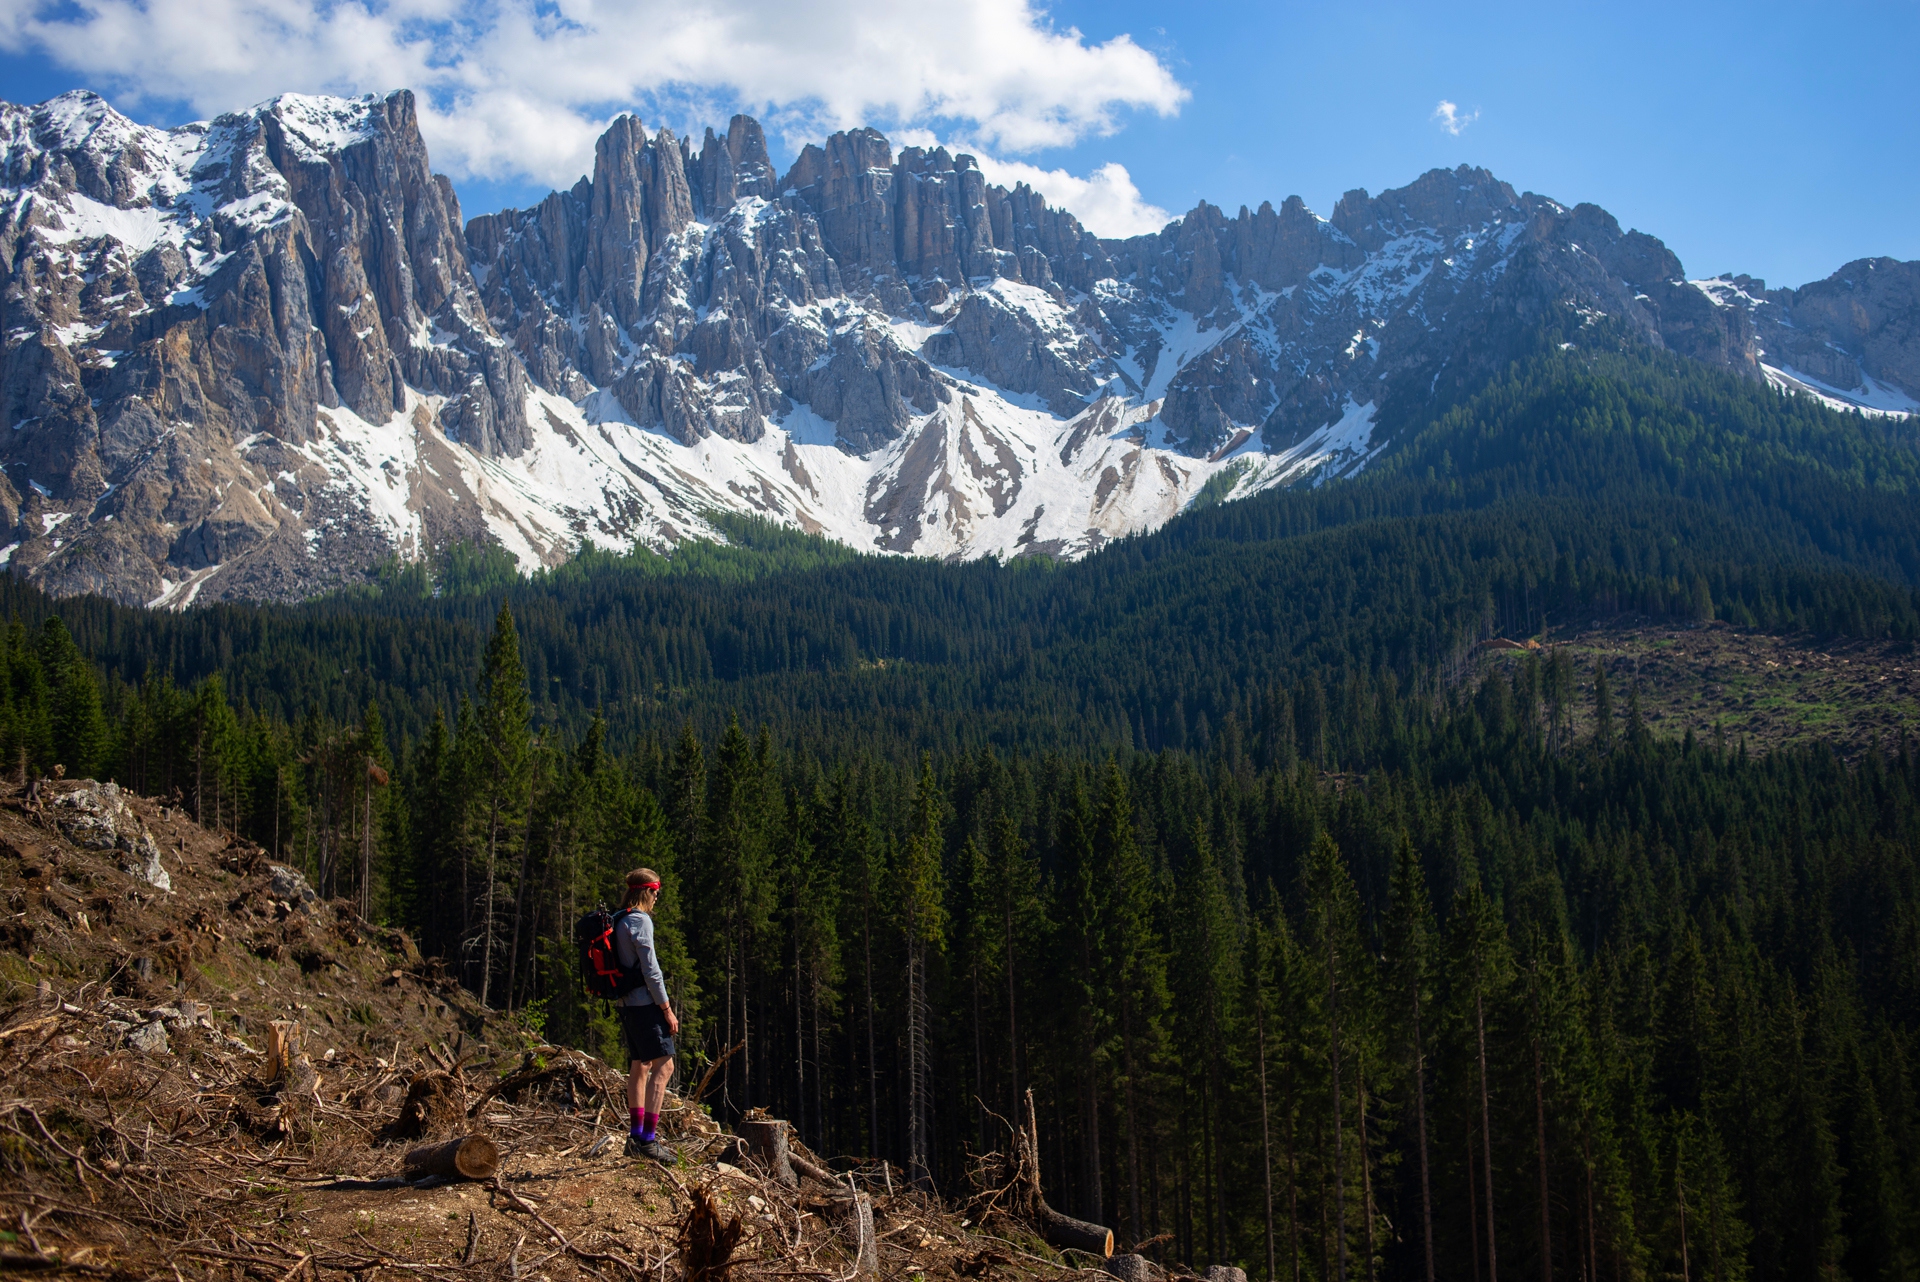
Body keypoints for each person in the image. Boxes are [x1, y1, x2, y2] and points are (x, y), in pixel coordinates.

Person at [613, 868, 680, 1163]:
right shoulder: (640, 922)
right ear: (646, 892)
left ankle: (635, 1137)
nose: (656, 899)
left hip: (628, 1006)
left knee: (639, 1067)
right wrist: (666, 1009)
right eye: (655, 893)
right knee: (664, 1068)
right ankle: (647, 1141)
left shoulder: (619, 919)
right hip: (645, 1006)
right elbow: (651, 970)